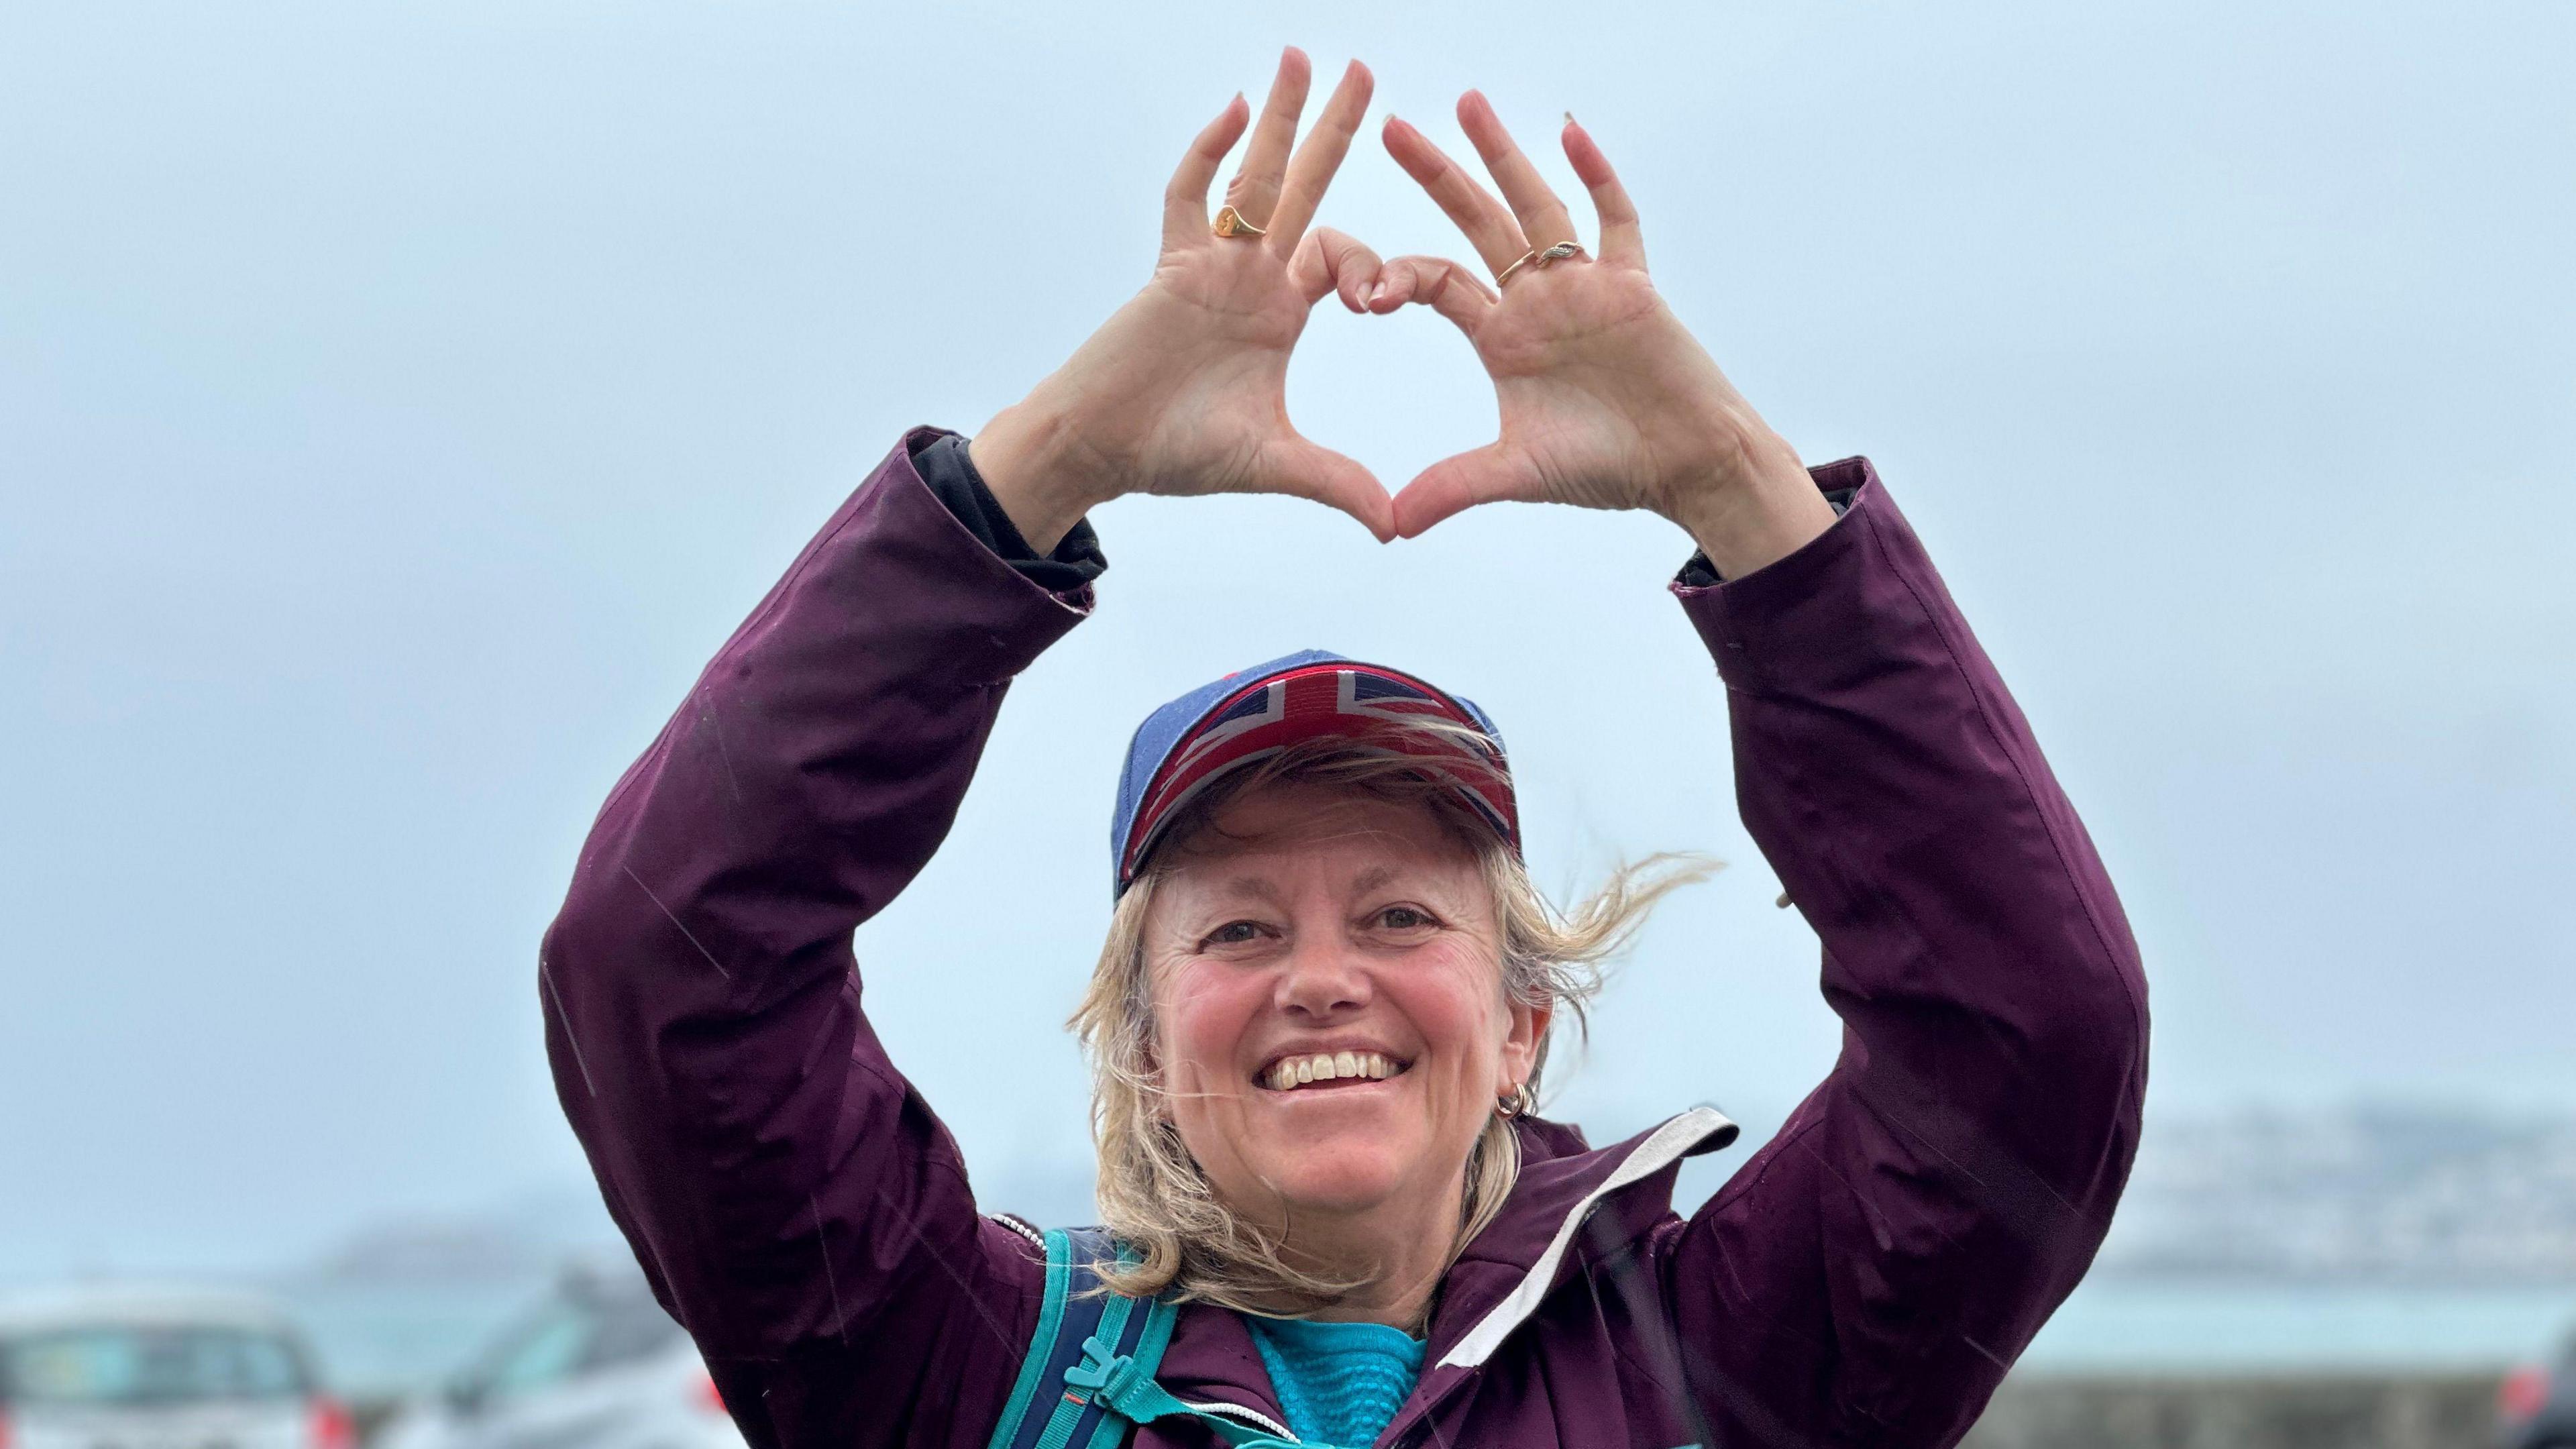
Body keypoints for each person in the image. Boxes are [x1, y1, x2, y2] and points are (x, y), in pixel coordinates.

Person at [541, 48, 2147, 1449]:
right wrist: (1053, 460)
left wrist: (1737, 488)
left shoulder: (1731, 1367)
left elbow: (2030, 1033)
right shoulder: (954, 1367)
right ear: (1148, 1048)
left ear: (1521, 1026)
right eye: (1239, 928)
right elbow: (669, 966)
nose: (1324, 978)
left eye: (1399, 915)